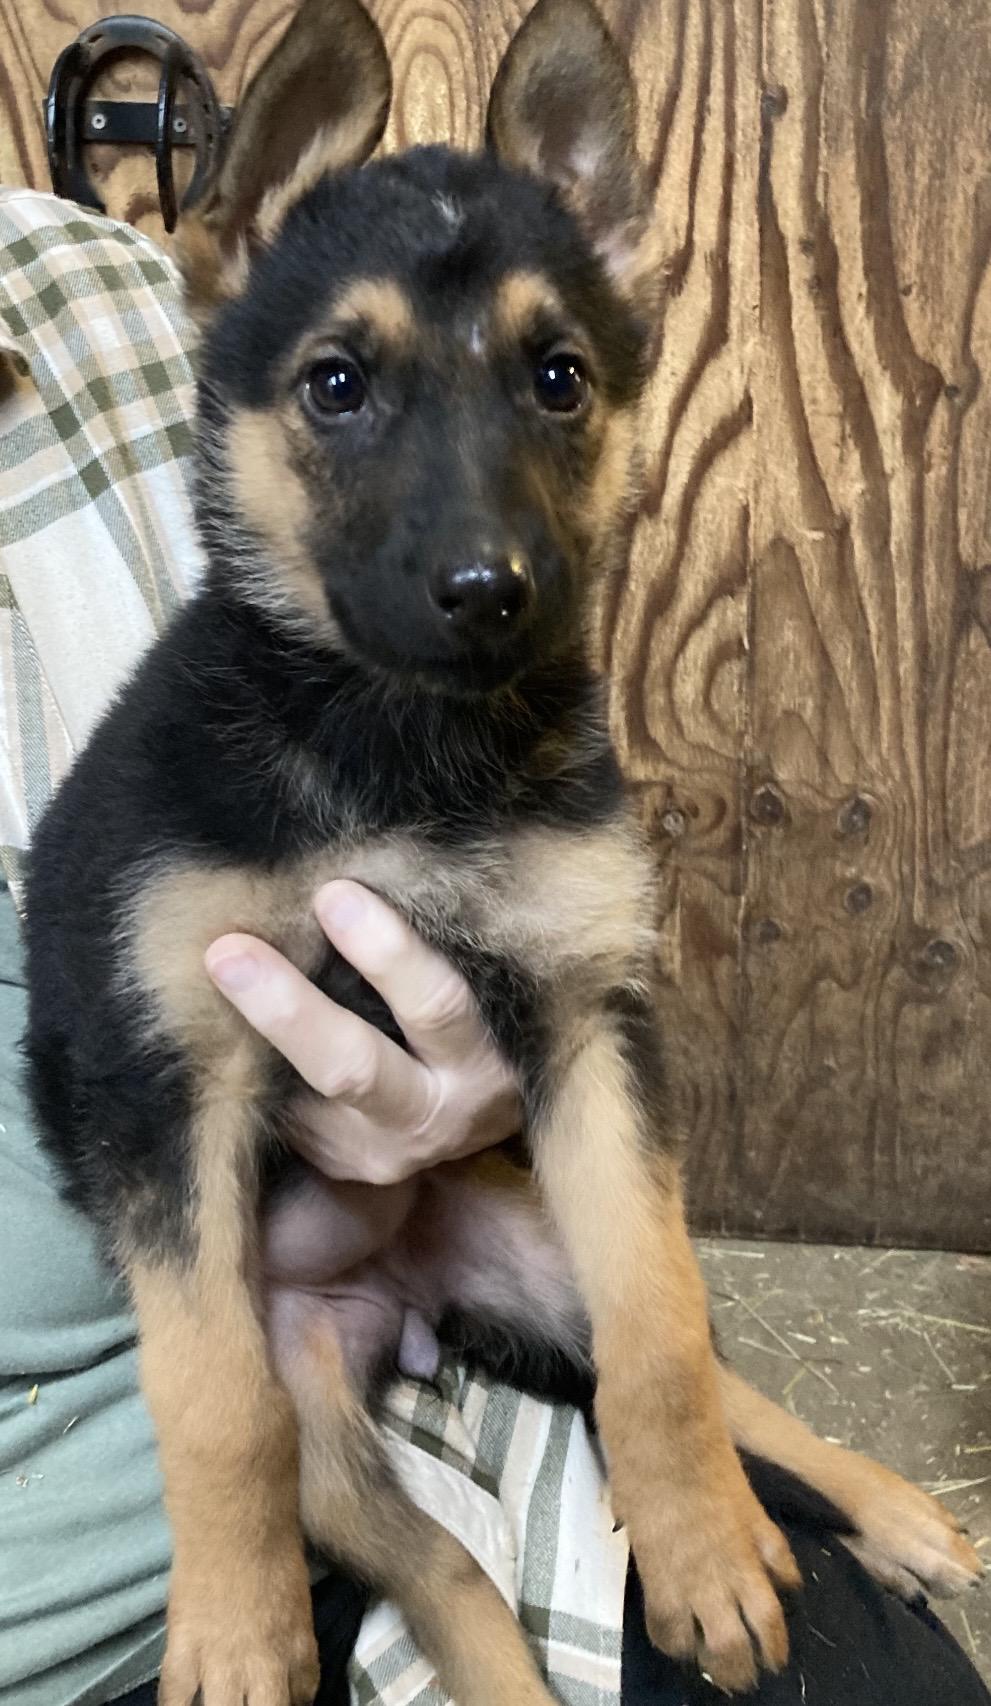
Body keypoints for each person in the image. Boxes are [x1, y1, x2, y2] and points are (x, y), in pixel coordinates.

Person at [0, 186, 988, 1706]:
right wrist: (228, 1509)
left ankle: (790, 1453)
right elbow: (139, 1129)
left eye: (555, 379)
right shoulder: (182, 789)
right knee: (357, 1490)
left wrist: (675, 1432)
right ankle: (458, 1609)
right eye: (343, 386)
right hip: (207, 1358)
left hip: (445, 1207)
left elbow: (593, 1067)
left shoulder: (82, 286)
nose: (480, 540)